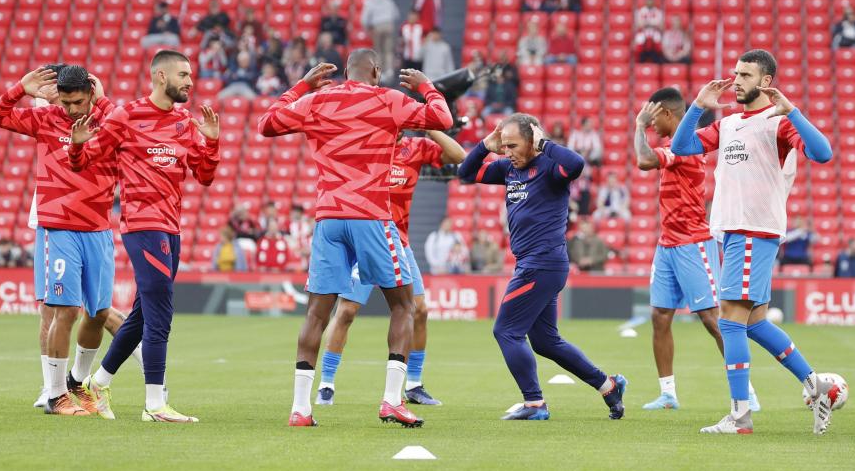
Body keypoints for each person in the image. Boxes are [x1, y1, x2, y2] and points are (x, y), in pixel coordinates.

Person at [258, 55, 453, 428]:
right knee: (403, 306)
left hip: (328, 218)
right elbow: (442, 119)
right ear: (377, 73)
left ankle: (301, 409)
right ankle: (392, 401)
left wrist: (303, 85)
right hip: (371, 217)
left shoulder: (318, 100)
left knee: (317, 312)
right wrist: (427, 86)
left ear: (345, 73)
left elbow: (266, 123)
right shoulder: (389, 99)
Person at [671, 49, 836, 435]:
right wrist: (697, 106)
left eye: (745, 74)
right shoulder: (728, 125)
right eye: (735, 73)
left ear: (765, 81)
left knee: (729, 321)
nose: (736, 80)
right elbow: (681, 148)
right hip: (731, 230)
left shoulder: (776, 123)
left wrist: (792, 111)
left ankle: (740, 416)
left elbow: (823, 153)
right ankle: (817, 386)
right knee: (755, 322)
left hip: (754, 230)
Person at [71, 50, 221, 423]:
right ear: (160, 76)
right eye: (183, 74)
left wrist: (213, 142)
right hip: (142, 225)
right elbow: (86, 161)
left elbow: (204, 176)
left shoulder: (185, 123)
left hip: (172, 227)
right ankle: (155, 403)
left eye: (190, 75)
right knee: (160, 312)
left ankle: (97, 383)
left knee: (140, 314)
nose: (190, 81)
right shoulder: (125, 116)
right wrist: (77, 146)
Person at [459, 113, 627, 420]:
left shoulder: (551, 166)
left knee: (506, 331)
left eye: (513, 145)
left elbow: (576, 164)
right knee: (546, 341)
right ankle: (608, 385)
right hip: (535, 264)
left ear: (532, 140)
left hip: (542, 264)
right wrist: (486, 144)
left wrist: (544, 144)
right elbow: (466, 173)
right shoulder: (508, 168)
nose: (507, 151)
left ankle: (534, 403)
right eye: (504, 145)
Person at [0, 65, 122, 416]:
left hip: (98, 229)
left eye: (78, 101)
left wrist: (104, 101)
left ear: (91, 94)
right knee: (65, 311)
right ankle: (56, 395)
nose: (71, 109)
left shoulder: (108, 122)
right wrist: (20, 89)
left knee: (99, 313)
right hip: (59, 227)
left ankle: (78, 381)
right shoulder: (46, 120)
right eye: (65, 102)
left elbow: (129, 127)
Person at [316, 130, 466, 407]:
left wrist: (431, 127)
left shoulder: (417, 147)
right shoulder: (365, 146)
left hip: (399, 242)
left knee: (420, 310)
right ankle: (326, 384)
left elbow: (459, 157)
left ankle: (414, 385)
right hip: (364, 240)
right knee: (347, 311)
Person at [632, 90, 741, 411]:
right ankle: (668, 394)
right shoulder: (674, 145)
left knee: (712, 318)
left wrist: (638, 128)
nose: (650, 122)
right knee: (660, 316)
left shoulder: (685, 146)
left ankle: (745, 389)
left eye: (652, 116)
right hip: (667, 244)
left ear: (667, 113)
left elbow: (643, 160)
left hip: (693, 244)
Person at [361, 0, 401, 75]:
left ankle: (380, 71)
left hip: (377, 26)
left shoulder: (369, 1)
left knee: (378, 50)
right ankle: (389, 70)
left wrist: (367, 29)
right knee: (389, 50)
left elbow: (364, 18)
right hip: (389, 25)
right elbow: (396, 14)